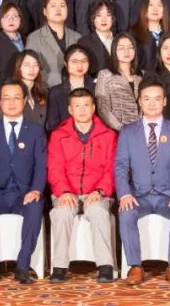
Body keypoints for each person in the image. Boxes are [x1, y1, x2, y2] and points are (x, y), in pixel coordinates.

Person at [115, 79, 170, 286]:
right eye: (147, 99)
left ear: (164, 101)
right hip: (138, 195)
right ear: (139, 101)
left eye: (157, 99)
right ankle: (135, 266)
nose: (152, 103)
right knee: (126, 212)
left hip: (168, 195)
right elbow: (120, 167)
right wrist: (125, 194)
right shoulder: (127, 132)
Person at [0, 79, 47, 284]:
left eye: (16, 97)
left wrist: (36, 190)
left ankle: (22, 267)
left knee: (35, 208)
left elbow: (41, 165)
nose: (12, 103)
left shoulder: (35, 131)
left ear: (24, 101)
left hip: (25, 194)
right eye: (6, 98)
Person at [47, 89, 119, 282]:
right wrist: (63, 191)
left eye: (86, 105)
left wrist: (100, 191)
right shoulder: (58, 135)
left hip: (96, 193)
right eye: (77, 106)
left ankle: (105, 266)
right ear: (70, 109)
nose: (82, 110)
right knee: (61, 213)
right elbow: (54, 167)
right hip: (67, 192)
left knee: (98, 212)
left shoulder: (108, 135)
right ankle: (59, 267)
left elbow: (112, 169)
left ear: (93, 108)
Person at [25, 0, 81, 87]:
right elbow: (30, 69)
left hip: (75, 90)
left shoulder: (77, 37)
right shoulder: (34, 38)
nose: (58, 9)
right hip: (46, 90)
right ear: (45, 11)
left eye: (62, 6)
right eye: (53, 6)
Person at [95, 33, 143, 131]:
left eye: (130, 47)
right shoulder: (105, 75)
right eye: (121, 48)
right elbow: (103, 109)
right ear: (114, 51)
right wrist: (122, 129)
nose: (126, 51)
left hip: (140, 130)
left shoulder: (141, 76)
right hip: (117, 131)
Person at [44, 45, 95, 133]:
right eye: (74, 62)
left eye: (83, 61)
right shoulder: (55, 92)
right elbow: (52, 124)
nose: (80, 65)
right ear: (65, 63)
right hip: (65, 137)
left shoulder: (96, 88)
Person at [0, 1, 27, 84]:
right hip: (5, 87)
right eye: (6, 16)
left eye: (15, 16)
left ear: (21, 19)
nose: (11, 20)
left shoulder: (27, 40)